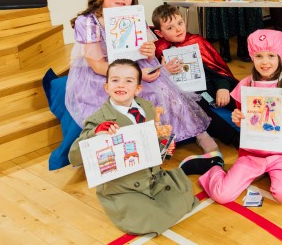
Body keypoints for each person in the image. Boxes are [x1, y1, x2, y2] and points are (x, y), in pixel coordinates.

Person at [65, 0, 217, 153]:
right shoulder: (88, 22)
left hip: (135, 64)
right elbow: (98, 66)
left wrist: (150, 52)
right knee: (122, 97)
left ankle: (198, 132)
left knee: (164, 89)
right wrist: (135, 74)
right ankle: (146, 144)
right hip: (106, 72)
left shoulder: (132, 16)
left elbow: (148, 54)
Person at [68, 59, 199, 235]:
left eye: (128, 80)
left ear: (138, 88)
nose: (121, 85)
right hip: (123, 187)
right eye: (115, 80)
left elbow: (150, 143)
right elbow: (74, 157)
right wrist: (95, 134)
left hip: (151, 178)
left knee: (183, 198)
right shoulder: (99, 119)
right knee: (150, 221)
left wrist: (163, 147)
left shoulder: (147, 107)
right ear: (106, 87)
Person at [183, 29, 282, 204]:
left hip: (281, 154)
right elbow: (245, 123)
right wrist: (238, 119)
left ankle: (275, 173)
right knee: (222, 195)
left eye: (271, 56)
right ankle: (213, 169)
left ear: (280, 56)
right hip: (251, 154)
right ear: (251, 57)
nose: (265, 62)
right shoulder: (245, 85)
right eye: (259, 56)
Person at [151, 4, 240, 146]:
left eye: (180, 23)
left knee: (237, 96)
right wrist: (164, 70)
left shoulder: (197, 41)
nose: (178, 29)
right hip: (190, 97)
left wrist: (222, 87)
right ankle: (235, 139)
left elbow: (217, 70)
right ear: (160, 33)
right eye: (170, 28)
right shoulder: (159, 50)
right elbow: (158, 83)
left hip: (213, 86)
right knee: (202, 114)